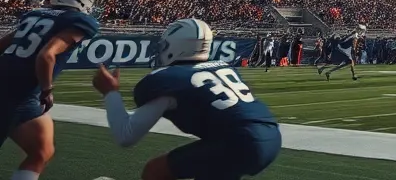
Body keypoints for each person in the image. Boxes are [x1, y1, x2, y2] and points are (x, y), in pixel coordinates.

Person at [93, 17, 281, 180]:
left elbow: (126, 135)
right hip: (272, 137)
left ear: (176, 46)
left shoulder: (170, 79)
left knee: (155, 172)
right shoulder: (225, 68)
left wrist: (110, 92)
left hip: (239, 141)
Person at [0, 0, 100, 180]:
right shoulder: (78, 21)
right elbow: (46, 55)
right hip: (17, 93)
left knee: (42, 149)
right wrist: (47, 90)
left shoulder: (35, 14)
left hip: (22, 94)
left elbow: (3, 45)